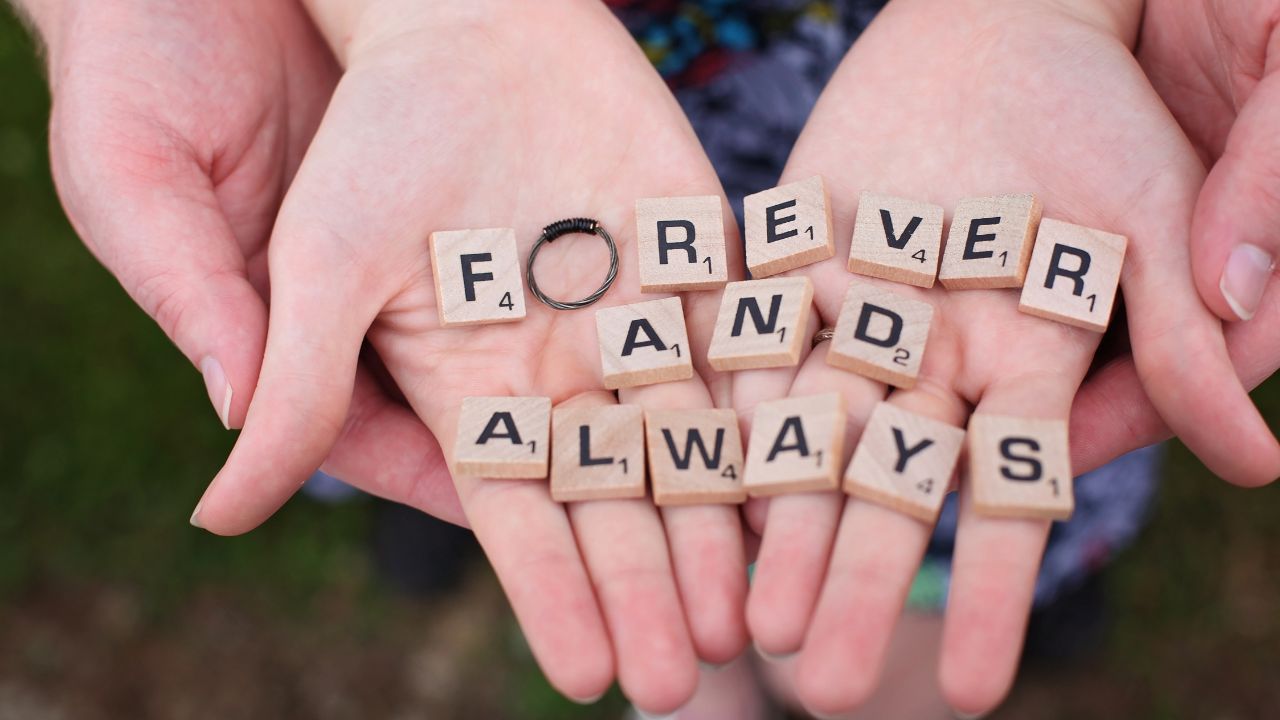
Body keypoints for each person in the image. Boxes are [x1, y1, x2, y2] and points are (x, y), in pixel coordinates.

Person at [11, 0, 1278, 717]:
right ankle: (677, 650)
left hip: (981, 109)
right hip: (431, 119)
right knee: (504, 439)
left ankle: (952, 612)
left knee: (949, 446)